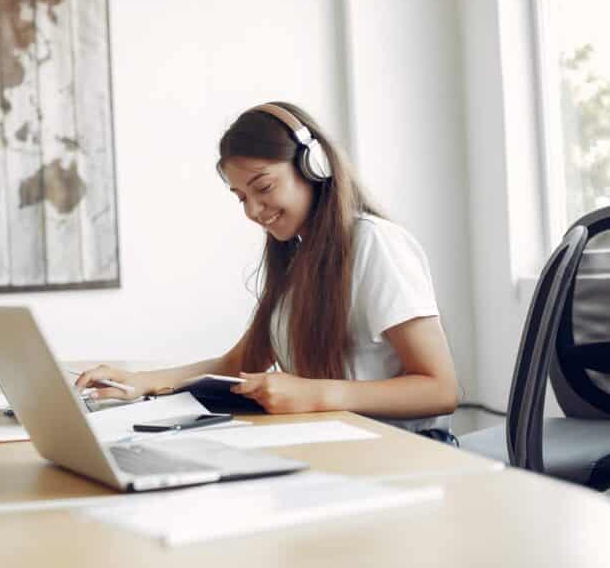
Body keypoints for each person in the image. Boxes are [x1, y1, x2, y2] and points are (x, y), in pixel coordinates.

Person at [75, 101, 459, 436]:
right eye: (241, 197)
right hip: (336, 443)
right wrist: (142, 384)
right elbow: (238, 363)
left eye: (263, 187)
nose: (252, 211)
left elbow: (440, 389)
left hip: (402, 451)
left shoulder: (375, 244)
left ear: (314, 167)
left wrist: (314, 394)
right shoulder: (295, 256)